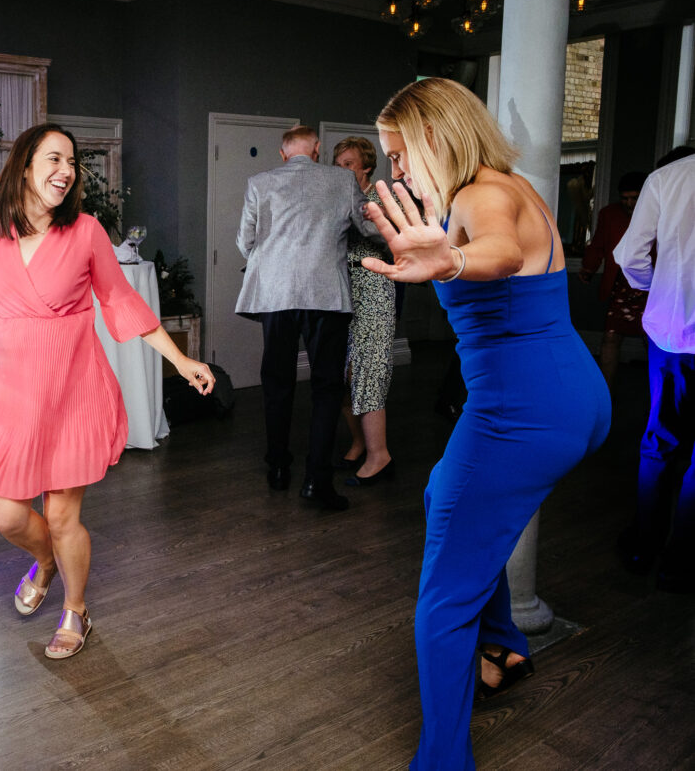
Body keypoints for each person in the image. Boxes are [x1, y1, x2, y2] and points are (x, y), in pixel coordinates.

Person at [362, 77, 610, 771]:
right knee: (445, 494)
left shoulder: (483, 197)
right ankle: (505, 644)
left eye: (400, 154)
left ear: (435, 137)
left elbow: (497, 249)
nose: (397, 170)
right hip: (570, 396)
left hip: (520, 414)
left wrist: (455, 258)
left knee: (442, 598)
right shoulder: (511, 183)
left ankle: (443, 760)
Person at [0, 122, 213, 660]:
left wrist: (180, 358)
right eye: (54, 159)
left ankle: (75, 608)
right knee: (8, 516)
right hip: (14, 395)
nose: (67, 171)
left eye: (72, 162)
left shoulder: (84, 232)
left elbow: (121, 300)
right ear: (25, 165)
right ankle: (48, 560)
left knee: (63, 517)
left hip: (72, 390)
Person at [235, 124, 381, 510]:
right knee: (327, 387)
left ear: (284, 154)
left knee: (278, 382)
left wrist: (275, 259)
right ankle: (317, 481)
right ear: (317, 150)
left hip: (276, 295)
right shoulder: (343, 179)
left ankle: (279, 468)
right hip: (325, 295)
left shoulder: (259, 182)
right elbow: (368, 228)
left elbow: (244, 242)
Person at [614, 146, 695, 593]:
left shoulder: (668, 178)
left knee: (660, 441)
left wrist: (658, 286)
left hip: (672, 334)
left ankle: (644, 547)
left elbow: (629, 257)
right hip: (675, 333)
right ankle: (680, 563)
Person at [331, 136, 395, 486]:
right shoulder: (338, 198)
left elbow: (390, 242)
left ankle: (379, 456)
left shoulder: (381, 199)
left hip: (373, 288)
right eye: (338, 163)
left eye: (349, 164)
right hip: (342, 291)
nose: (341, 170)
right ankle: (359, 442)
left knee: (368, 373)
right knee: (342, 376)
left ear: (367, 166)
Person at [579, 170, 649, 388]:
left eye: (634, 198)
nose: (629, 203)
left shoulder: (657, 212)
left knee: (655, 341)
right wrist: (588, 268)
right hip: (620, 286)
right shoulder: (609, 214)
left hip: (651, 285)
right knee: (610, 336)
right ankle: (605, 393)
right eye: (625, 198)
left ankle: (660, 398)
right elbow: (598, 243)